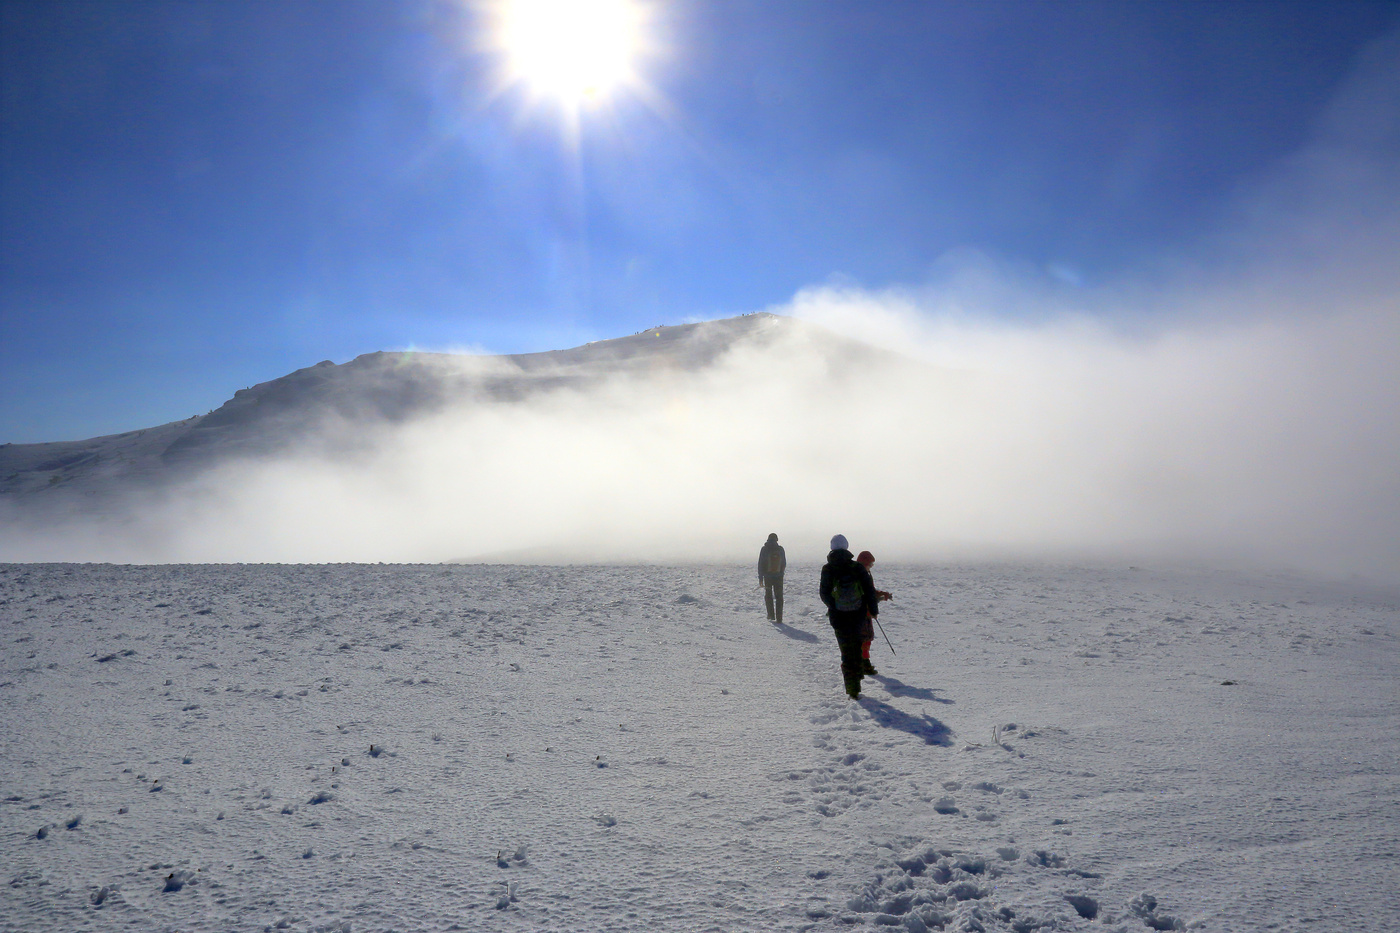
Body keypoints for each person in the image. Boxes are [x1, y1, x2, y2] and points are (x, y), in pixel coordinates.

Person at [819, 534, 880, 699]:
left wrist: (835, 606)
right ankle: (858, 678)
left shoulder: (828, 569)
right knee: (857, 646)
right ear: (847, 547)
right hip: (858, 615)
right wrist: (873, 610)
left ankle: (852, 689)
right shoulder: (857, 567)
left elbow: (824, 593)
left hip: (838, 618)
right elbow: (868, 591)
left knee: (846, 652)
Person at [855, 550, 892, 676]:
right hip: (862, 613)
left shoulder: (862, 573)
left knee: (865, 639)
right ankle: (864, 663)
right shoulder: (861, 575)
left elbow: (871, 591)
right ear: (865, 563)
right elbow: (868, 594)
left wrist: (881, 594)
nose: (871, 567)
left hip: (862, 612)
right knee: (865, 639)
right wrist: (873, 608)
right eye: (870, 564)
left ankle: (862, 662)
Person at [757, 533, 787, 623]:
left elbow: (760, 564)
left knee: (768, 595)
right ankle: (779, 618)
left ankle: (770, 615)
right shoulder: (780, 549)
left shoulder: (764, 549)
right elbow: (784, 563)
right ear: (776, 540)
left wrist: (760, 578)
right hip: (778, 577)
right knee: (779, 597)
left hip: (768, 577)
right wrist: (781, 573)